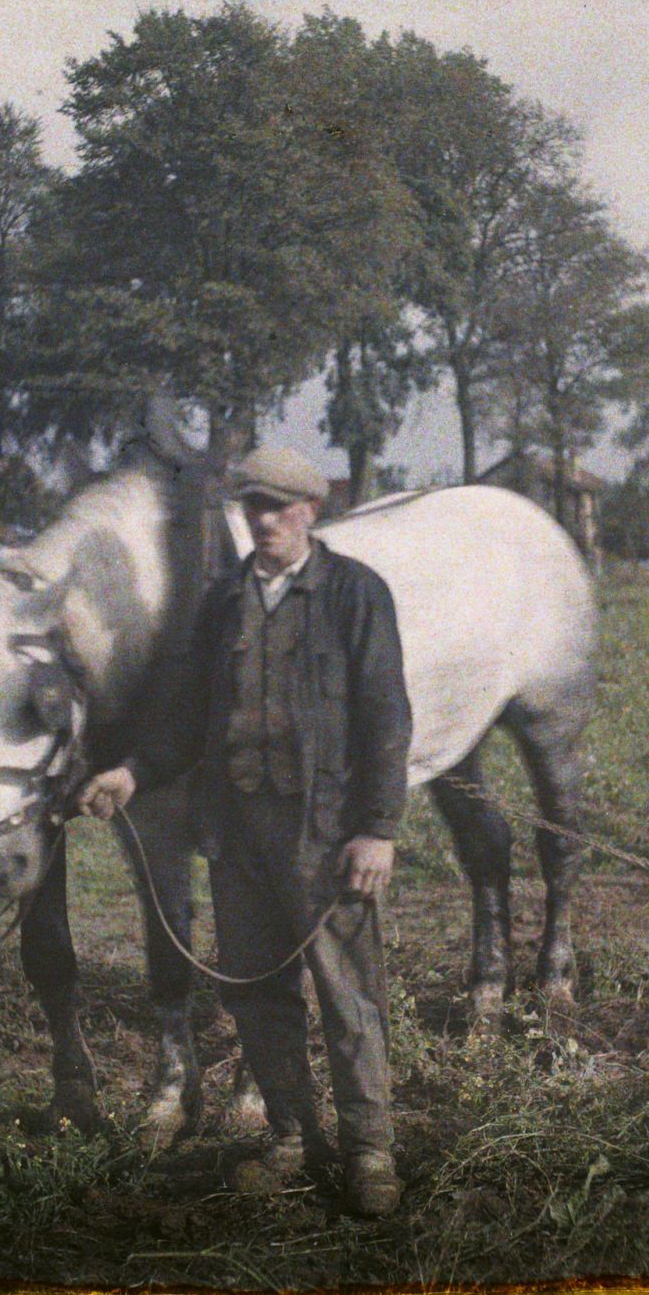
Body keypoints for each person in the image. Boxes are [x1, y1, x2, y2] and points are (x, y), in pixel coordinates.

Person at [77, 444, 412, 1219]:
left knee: (349, 995)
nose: (264, 520)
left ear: (310, 510)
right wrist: (133, 771)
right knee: (259, 993)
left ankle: (369, 1148)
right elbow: (190, 716)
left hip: (324, 835)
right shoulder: (224, 600)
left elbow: (387, 721)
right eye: (253, 506)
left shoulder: (354, 595)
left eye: (279, 506)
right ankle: (292, 1138)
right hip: (235, 835)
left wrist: (377, 830)